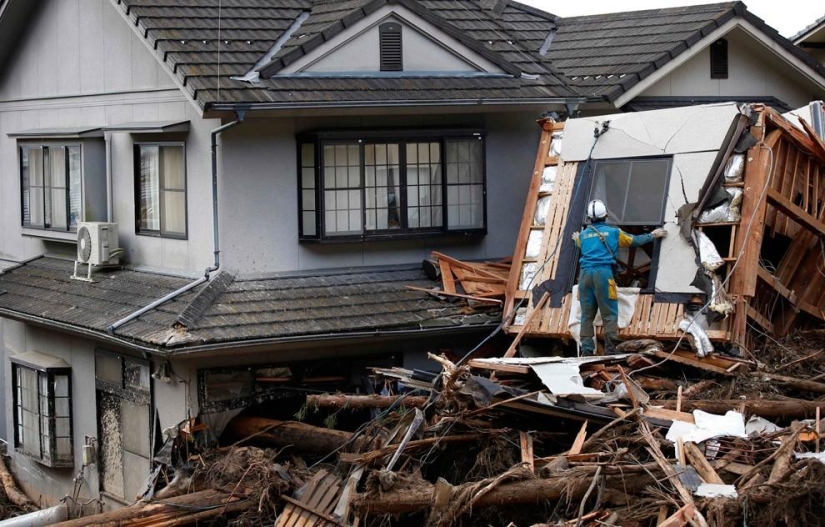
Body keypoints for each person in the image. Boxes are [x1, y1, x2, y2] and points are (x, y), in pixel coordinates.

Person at [573, 199, 667, 356]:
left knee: (586, 316)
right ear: (606, 215)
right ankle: (610, 350)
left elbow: (581, 244)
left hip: (584, 276)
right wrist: (652, 235)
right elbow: (634, 241)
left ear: (589, 218)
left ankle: (587, 350)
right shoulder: (614, 233)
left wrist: (576, 238)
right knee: (609, 314)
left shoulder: (582, 236)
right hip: (603, 275)